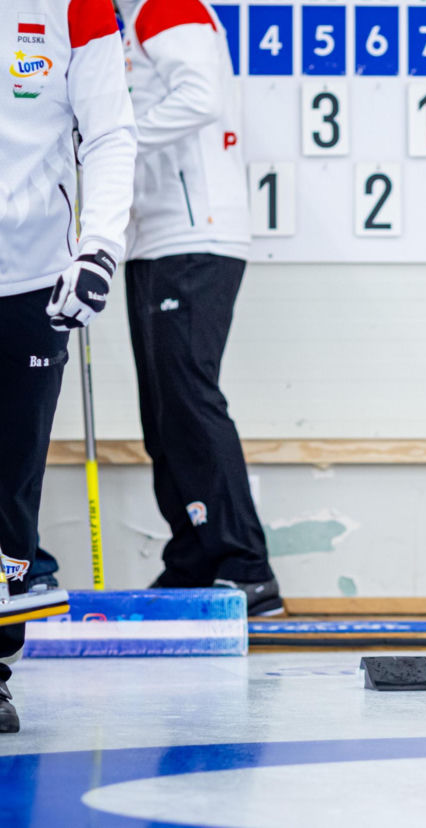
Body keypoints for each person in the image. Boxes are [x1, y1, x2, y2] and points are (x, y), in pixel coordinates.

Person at [116, 0, 282, 616]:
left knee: (189, 397)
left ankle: (245, 564)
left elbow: (201, 96)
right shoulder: (129, 19)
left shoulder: (164, 6)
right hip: (154, 238)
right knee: (163, 412)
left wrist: (112, 140)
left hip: (195, 233)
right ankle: (193, 555)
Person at [1, 0, 137, 732]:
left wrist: (99, 247)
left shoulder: (78, 8)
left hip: (30, 277)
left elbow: (111, 133)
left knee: (11, 482)